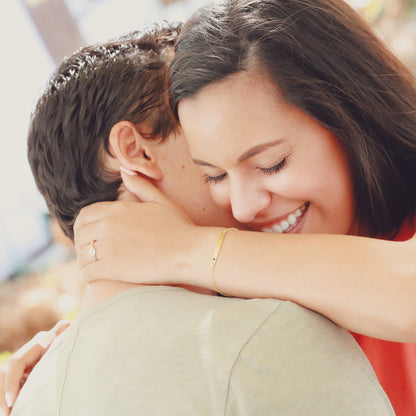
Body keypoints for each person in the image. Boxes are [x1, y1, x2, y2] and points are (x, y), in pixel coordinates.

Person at [1, 23, 395, 416]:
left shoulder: (34, 395)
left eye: (269, 161)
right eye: (211, 160)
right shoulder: (268, 336)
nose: (243, 203)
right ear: (136, 152)